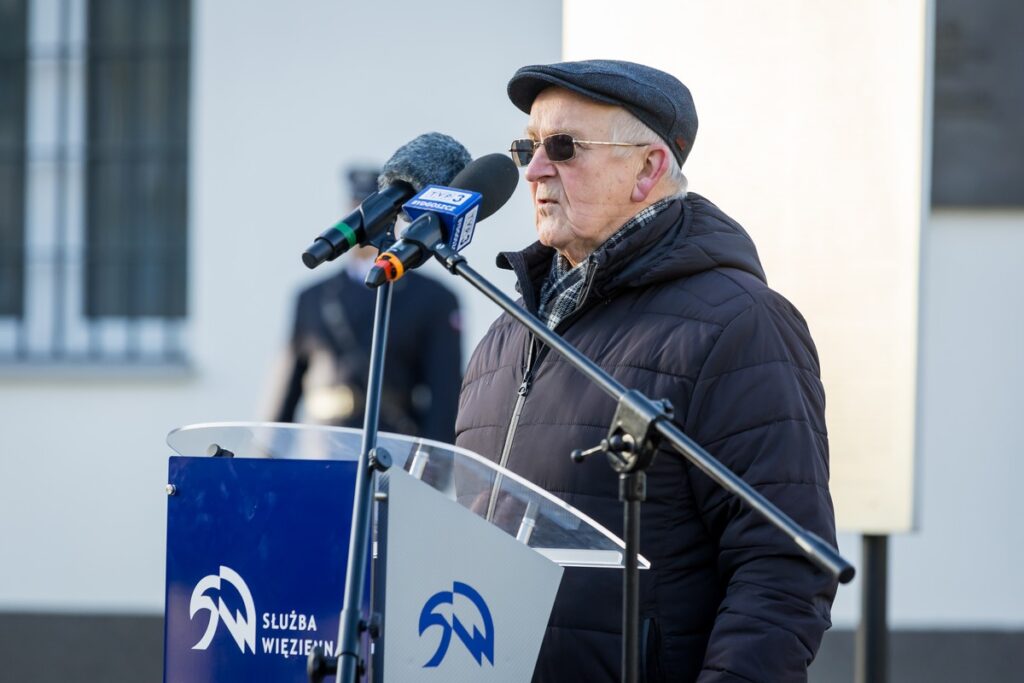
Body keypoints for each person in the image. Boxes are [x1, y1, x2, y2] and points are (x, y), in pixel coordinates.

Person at [454, 60, 838, 682]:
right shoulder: (506, 333)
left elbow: (783, 568)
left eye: (563, 147)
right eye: (528, 147)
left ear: (648, 168)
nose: (534, 170)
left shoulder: (739, 324)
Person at [272, 166, 463, 443]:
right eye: (357, 212)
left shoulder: (433, 298)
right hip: (323, 444)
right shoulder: (312, 297)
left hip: (391, 445)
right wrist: (266, 455)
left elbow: (445, 390)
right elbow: (287, 388)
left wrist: (433, 460)